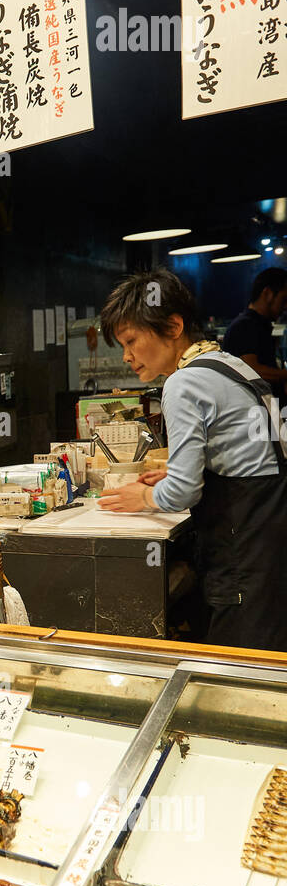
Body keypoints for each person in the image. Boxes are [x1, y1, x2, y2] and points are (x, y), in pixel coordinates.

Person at [98, 269, 287, 652]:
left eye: (132, 340)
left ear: (173, 326)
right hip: (273, 529)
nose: (126, 356)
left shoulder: (182, 383)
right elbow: (256, 447)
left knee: (241, 665)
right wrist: (177, 469)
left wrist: (145, 498)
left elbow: (183, 491)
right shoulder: (230, 364)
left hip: (245, 542)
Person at [222, 266, 287, 387]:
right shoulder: (245, 325)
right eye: (284, 299)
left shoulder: (260, 324)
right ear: (267, 293)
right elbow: (251, 370)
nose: (285, 307)